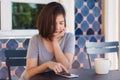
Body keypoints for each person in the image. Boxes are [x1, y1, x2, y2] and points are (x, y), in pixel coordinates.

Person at [19, 2, 75, 80]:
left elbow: (65, 66)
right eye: (53, 23)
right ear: (46, 23)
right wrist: (47, 65)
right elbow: (29, 73)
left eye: (61, 23)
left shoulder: (69, 37)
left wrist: (54, 41)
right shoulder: (36, 39)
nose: (58, 27)